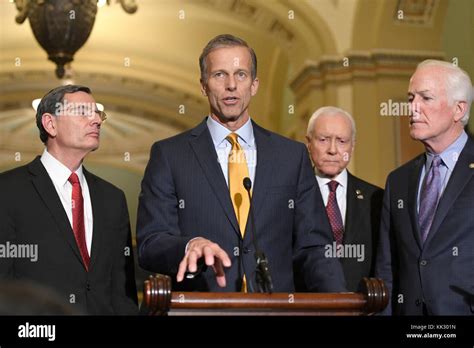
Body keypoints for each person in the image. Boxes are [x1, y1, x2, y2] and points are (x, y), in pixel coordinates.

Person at [137, 34, 346, 293]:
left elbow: (315, 247)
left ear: (254, 84)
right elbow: (150, 244)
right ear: (203, 85)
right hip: (203, 308)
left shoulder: (291, 156)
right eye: (219, 75)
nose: (231, 85)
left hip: (274, 309)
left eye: (241, 74)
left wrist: (340, 303)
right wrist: (189, 245)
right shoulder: (169, 155)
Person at [0, 85, 138, 315]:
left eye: (98, 113)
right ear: (50, 124)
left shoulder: (113, 198)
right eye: (83, 112)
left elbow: (122, 292)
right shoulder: (7, 190)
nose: (96, 120)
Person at [375, 60, 474, 315]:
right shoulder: (397, 181)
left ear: (458, 109)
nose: (413, 108)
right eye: (410, 98)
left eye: (426, 98)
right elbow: (387, 270)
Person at [305, 106, 383, 292]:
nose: (332, 150)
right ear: (308, 143)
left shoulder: (376, 198)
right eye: (323, 140)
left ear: (352, 146)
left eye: (342, 141)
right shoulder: (291, 196)